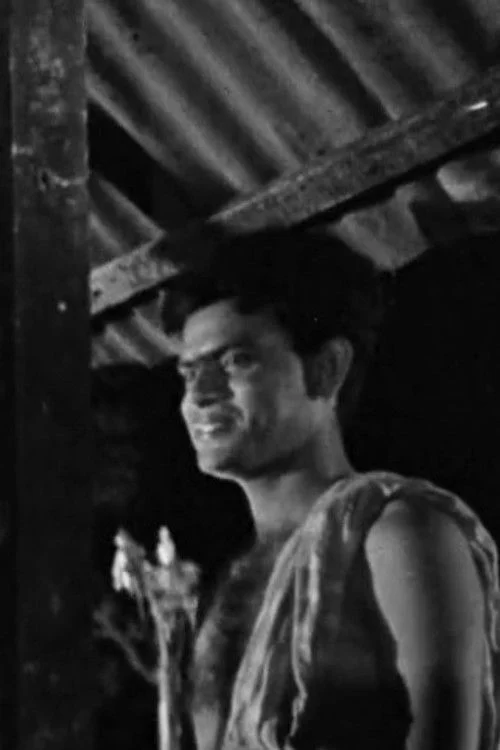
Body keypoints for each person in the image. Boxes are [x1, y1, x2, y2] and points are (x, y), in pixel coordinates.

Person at [160, 227, 500, 750]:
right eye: (189, 374)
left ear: (326, 369)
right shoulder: (235, 575)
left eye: (236, 361)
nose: (200, 396)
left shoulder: (397, 534)